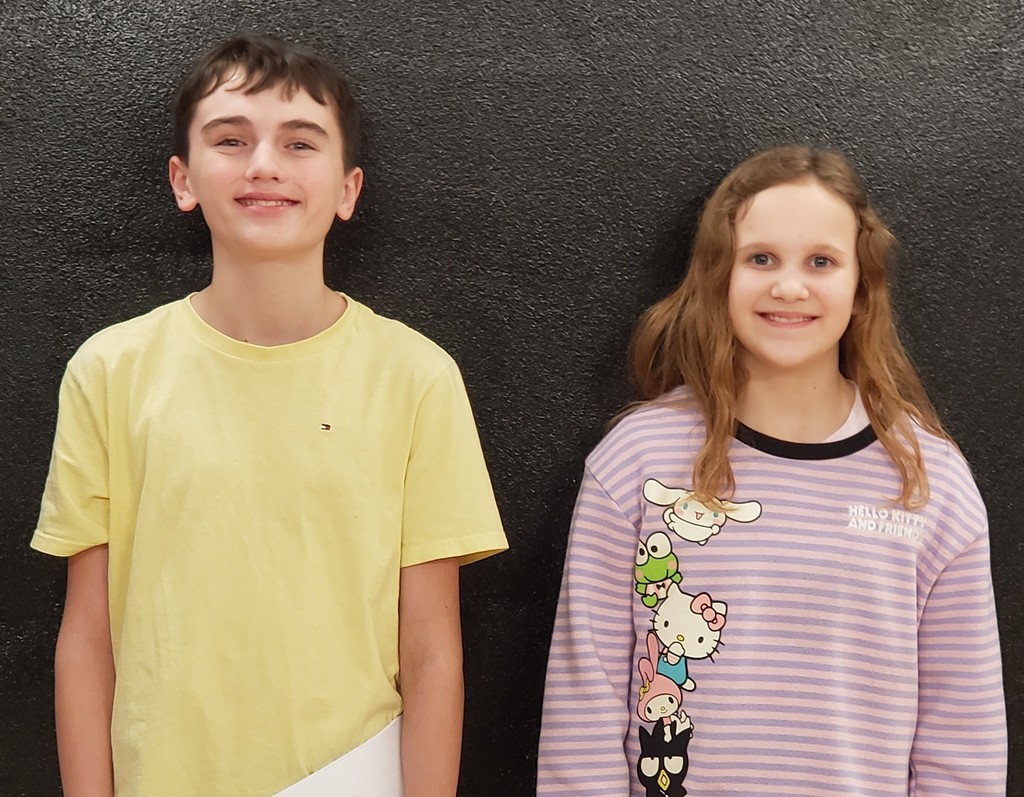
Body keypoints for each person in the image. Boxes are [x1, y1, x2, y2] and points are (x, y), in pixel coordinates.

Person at [32, 33, 507, 797]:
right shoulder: (110, 371)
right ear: (183, 180)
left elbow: (430, 650)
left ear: (348, 189)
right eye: (231, 139)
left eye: (299, 142)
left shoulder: (416, 376)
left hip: (354, 773)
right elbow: (87, 639)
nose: (263, 164)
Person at [537, 145, 1006, 796]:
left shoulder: (931, 484)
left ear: (860, 284)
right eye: (761, 258)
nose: (790, 285)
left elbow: (964, 738)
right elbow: (582, 713)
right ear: (719, 274)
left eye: (821, 261)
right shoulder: (635, 463)